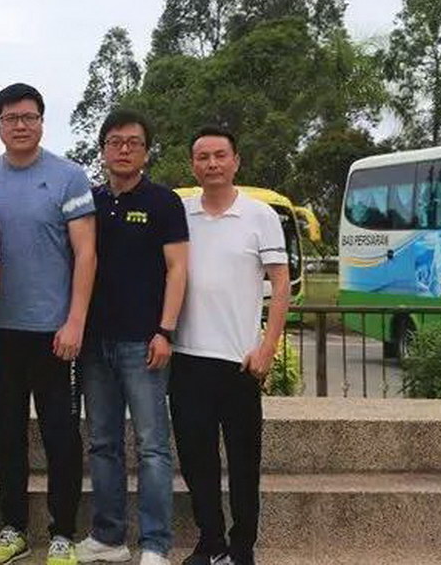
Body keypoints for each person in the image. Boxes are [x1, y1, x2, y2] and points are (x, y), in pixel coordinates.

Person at [0, 84, 96, 565]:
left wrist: (75, 321)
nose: (20, 125)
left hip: (54, 334)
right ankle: (14, 528)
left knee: (61, 435)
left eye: (29, 116)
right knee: (6, 436)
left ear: (42, 121)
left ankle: (63, 532)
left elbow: (86, 254)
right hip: (0, 333)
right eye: (10, 118)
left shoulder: (68, 177)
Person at [171, 127, 290, 565]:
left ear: (236, 161)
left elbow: (281, 286)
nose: (212, 164)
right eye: (203, 157)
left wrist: (267, 347)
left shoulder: (261, 216)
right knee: (195, 460)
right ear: (193, 165)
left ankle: (242, 546)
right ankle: (211, 541)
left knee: (243, 462)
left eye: (220, 155)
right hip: (187, 359)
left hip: (240, 362)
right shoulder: (180, 213)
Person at [78, 108, 188, 565]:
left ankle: (155, 544)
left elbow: (178, 269)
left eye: (134, 143)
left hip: (143, 344)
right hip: (93, 343)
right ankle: (109, 537)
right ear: (102, 150)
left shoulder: (164, 202)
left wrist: (165, 330)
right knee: (102, 444)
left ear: (146, 151)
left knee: (152, 447)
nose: (124, 150)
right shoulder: (89, 201)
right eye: (115, 142)